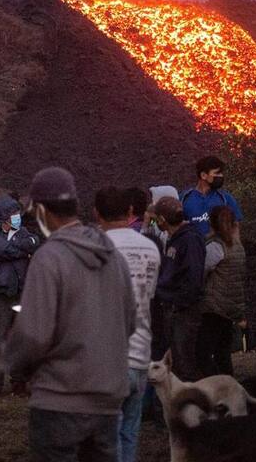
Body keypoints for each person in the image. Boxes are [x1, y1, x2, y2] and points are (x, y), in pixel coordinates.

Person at [0, 167, 135, 462]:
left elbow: (34, 333)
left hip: (60, 401)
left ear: (42, 210)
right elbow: (129, 321)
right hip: (107, 399)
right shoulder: (111, 255)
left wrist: (2, 357)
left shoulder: (50, 258)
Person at [95, 187, 160, 462]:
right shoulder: (150, 247)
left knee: (107, 437)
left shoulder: (95, 248)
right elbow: (150, 296)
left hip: (107, 358)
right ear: (132, 211)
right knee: (130, 433)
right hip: (141, 353)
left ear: (96, 213)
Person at [0, 194, 40, 397]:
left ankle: (19, 383)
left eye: (17, 212)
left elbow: (34, 241)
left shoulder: (21, 231)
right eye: (13, 213)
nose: (17, 216)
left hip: (20, 293)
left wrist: (19, 248)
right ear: (3, 215)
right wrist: (22, 250)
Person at [151, 195, 205, 382]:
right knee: (176, 361)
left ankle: (194, 406)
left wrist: (178, 303)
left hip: (183, 311)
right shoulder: (175, 239)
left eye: (155, 218)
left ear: (162, 219)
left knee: (185, 363)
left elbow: (193, 277)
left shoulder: (189, 239)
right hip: (173, 307)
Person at [196, 205, 246, 377]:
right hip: (232, 305)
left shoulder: (215, 247)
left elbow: (202, 270)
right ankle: (228, 385)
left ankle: (215, 385)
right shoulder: (238, 247)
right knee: (223, 352)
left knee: (202, 352)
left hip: (214, 305)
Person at [180, 155, 244, 237]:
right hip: (193, 248)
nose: (221, 176)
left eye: (221, 173)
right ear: (203, 175)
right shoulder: (184, 198)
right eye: (217, 173)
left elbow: (235, 226)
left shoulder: (225, 198)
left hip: (219, 248)